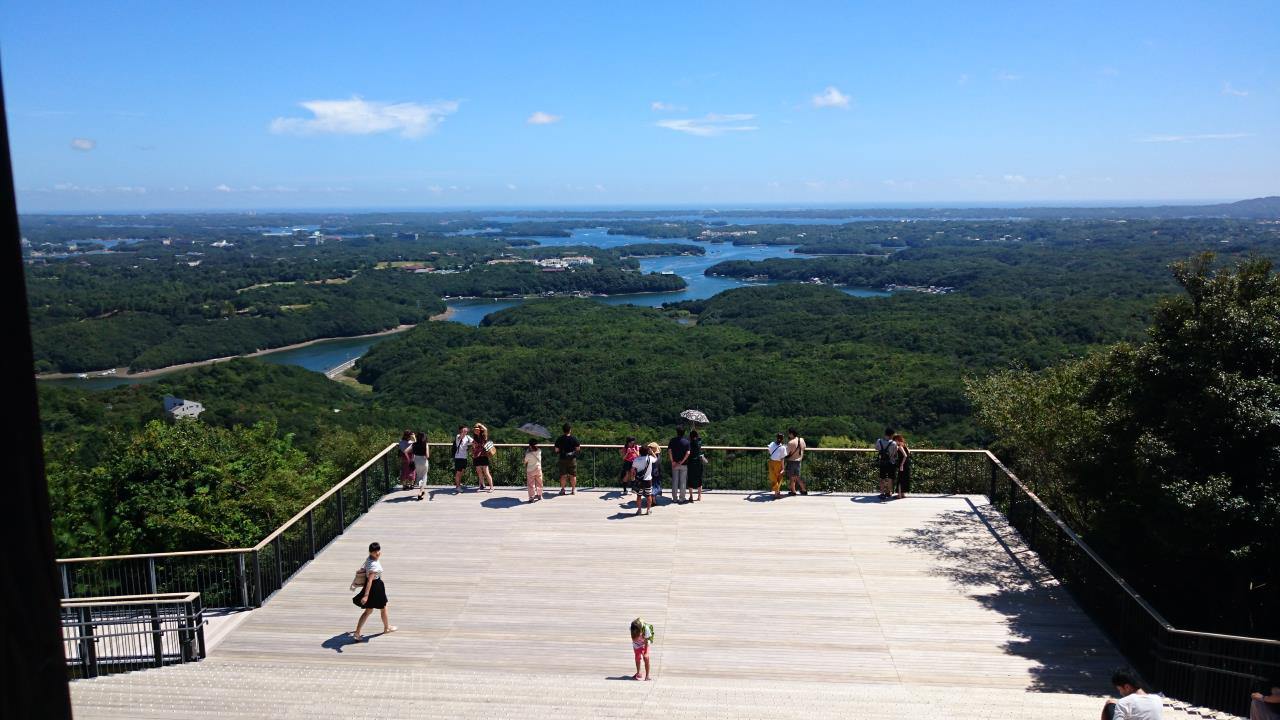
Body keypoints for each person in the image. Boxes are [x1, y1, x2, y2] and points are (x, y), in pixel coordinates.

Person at [352, 542, 395, 641]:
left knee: (368, 611)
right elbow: (370, 581)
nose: (378, 553)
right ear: (371, 552)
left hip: (375, 585)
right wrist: (366, 596)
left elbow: (365, 572)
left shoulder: (369, 559)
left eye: (378, 550)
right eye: (375, 551)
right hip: (376, 587)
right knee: (383, 608)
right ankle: (386, 628)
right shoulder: (374, 565)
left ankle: (357, 633)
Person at [553, 424, 580, 495]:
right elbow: (578, 449)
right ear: (570, 430)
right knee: (573, 475)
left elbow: (556, 450)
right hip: (572, 459)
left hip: (562, 458)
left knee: (563, 475)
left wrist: (561, 451)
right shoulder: (574, 438)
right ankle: (573, 490)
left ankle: (563, 490)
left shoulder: (559, 439)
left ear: (563, 430)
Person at [632, 442, 657, 516]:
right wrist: (652, 452)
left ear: (640, 451)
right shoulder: (650, 458)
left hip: (639, 480)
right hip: (648, 480)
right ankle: (648, 510)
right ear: (647, 452)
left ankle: (639, 510)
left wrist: (633, 477)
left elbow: (633, 470)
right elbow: (656, 458)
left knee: (639, 495)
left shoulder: (636, 460)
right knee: (648, 495)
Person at [668, 426, 691, 504]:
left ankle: (674, 498)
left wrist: (672, 461)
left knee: (675, 481)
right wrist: (682, 461)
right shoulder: (687, 442)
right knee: (683, 482)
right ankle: (682, 498)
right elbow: (688, 453)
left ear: (677, 432)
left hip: (674, 464)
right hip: (683, 464)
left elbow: (670, 451)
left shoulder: (672, 440)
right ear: (684, 433)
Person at [875, 427, 899, 501]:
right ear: (891, 435)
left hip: (882, 462)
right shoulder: (893, 443)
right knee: (890, 478)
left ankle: (882, 493)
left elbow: (876, 448)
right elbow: (895, 453)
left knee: (882, 478)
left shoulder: (879, 441)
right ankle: (888, 492)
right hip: (891, 463)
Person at [472, 423, 495, 492]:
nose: (476, 431)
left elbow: (485, 429)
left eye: (478, 429)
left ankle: (491, 487)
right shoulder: (474, 438)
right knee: (479, 472)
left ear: (480, 430)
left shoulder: (483, 436)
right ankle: (482, 485)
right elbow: (474, 447)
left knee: (486, 472)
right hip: (476, 456)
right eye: (475, 430)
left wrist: (480, 424)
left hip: (483, 456)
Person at [785, 427, 807, 496]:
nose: (788, 435)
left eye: (789, 434)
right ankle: (803, 490)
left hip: (791, 461)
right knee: (797, 476)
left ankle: (793, 491)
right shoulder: (801, 440)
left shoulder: (790, 442)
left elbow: (786, 453)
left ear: (791, 434)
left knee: (792, 477)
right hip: (798, 460)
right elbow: (804, 448)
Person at [452, 425, 472, 492]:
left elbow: (473, 442)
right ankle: (457, 487)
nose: (465, 431)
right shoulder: (458, 436)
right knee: (458, 472)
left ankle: (459, 484)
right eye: (463, 430)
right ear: (460, 430)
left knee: (462, 472)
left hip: (464, 457)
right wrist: (464, 432)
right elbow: (461, 436)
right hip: (458, 457)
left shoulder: (467, 437)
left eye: (466, 430)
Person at [767, 433, 787, 498]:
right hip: (778, 463)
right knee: (779, 478)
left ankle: (776, 492)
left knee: (773, 477)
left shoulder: (772, 444)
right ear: (782, 439)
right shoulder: (783, 447)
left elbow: (769, 451)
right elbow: (782, 458)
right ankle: (776, 493)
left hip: (771, 462)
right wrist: (783, 468)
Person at [687, 429, 705, 502]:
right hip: (698, 462)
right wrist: (696, 434)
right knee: (699, 479)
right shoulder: (699, 443)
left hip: (691, 462)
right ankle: (699, 496)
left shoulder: (689, 443)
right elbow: (700, 439)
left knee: (690, 479)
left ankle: (691, 496)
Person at [412, 429, 430, 501]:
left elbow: (409, 451)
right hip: (423, 461)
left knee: (419, 476)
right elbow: (427, 455)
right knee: (424, 476)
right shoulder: (425, 444)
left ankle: (422, 490)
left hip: (416, 460)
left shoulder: (414, 444)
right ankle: (420, 492)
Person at [893, 433, 912, 500]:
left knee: (900, 479)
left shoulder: (900, 446)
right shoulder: (905, 446)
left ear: (897, 440)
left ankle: (899, 495)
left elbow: (905, 455)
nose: (894, 442)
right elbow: (909, 453)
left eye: (894, 440)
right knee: (905, 478)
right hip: (907, 463)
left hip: (903, 464)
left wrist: (901, 465)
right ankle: (903, 494)